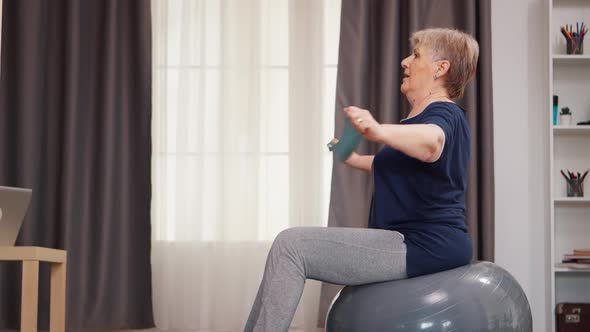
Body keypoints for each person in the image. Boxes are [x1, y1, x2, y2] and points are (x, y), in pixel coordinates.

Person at [244, 28, 480, 332]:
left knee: (292, 245)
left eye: (416, 55)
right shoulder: (418, 122)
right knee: (288, 245)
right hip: (418, 241)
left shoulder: (444, 114)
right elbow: (403, 166)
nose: (405, 62)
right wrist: (351, 158)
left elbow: (434, 142)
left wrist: (378, 130)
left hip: (424, 243)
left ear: (440, 68)